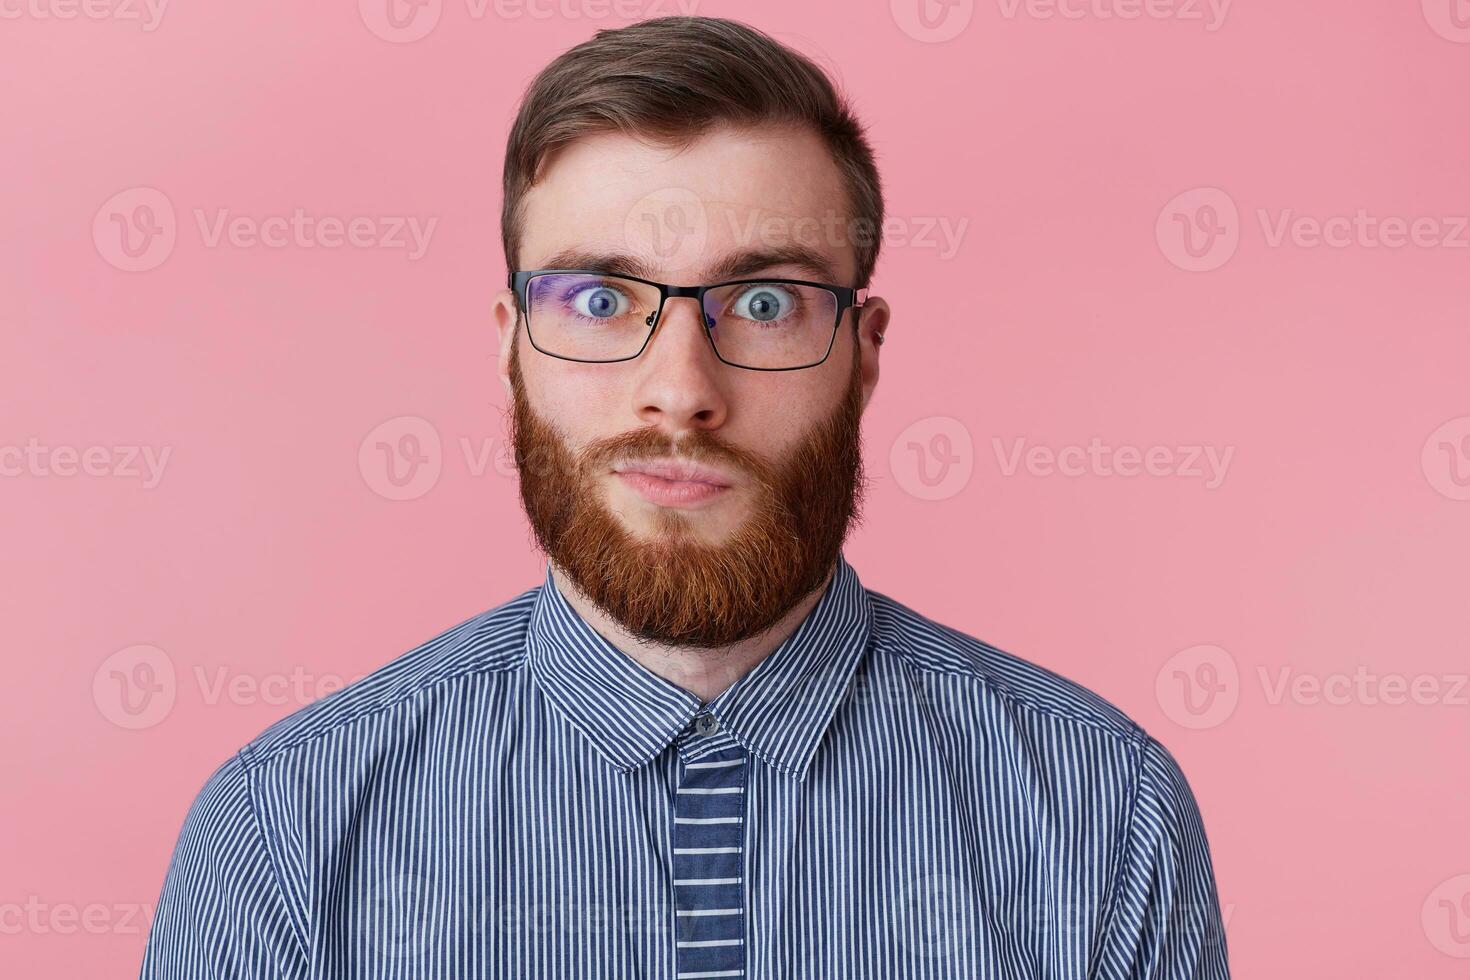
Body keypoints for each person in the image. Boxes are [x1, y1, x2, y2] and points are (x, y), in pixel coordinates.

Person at [141, 15, 1229, 979]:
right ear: (512, 348)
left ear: (865, 350)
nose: (680, 392)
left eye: (763, 300)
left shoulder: (1102, 812)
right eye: (601, 297)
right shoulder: (280, 830)